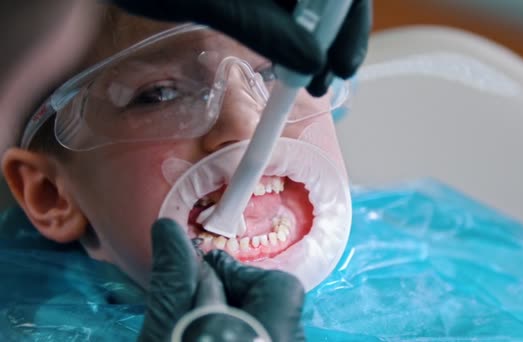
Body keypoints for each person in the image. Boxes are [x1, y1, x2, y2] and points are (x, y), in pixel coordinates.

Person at [1, 4, 354, 340]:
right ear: (52, 194)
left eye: (274, 70)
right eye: (160, 94)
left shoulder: (404, 244)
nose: (245, 127)